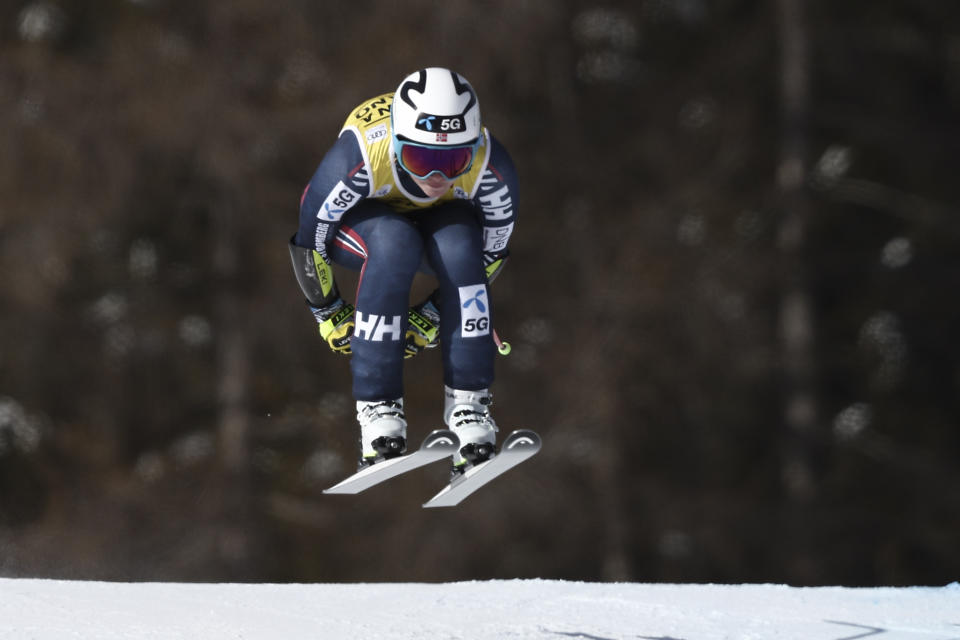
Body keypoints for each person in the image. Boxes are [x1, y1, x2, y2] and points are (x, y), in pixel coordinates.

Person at [289, 67, 518, 475]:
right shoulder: (358, 154)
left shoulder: (491, 167)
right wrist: (328, 311)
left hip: (442, 227)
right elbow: (310, 239)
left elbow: (492, 255)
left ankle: (470, 410)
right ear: (395, 143)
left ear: (474, 146)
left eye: (454, 160)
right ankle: (378, 413)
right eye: (420, 157)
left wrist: (431, 315)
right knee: (396, 242)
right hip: (365, 224)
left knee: (463, 244)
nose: (436, 177)